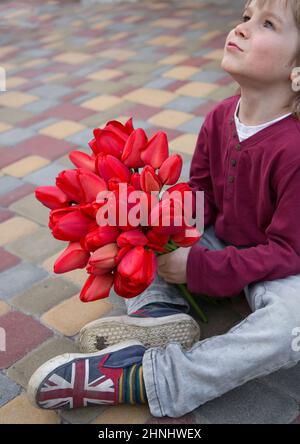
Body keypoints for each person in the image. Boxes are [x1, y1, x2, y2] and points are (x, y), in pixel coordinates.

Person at [28, 0, 300, 417]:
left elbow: (288, 250)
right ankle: (158, 315)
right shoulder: (220, 116)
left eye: (267, 24)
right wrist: (150, 220)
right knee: (140, 227)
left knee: (293, 329)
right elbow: (204, 194)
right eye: (245, 16)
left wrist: (200, 269)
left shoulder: (294, 147)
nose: (242, 28)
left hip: (283, 267)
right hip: (223, 240)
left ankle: (153, 377)